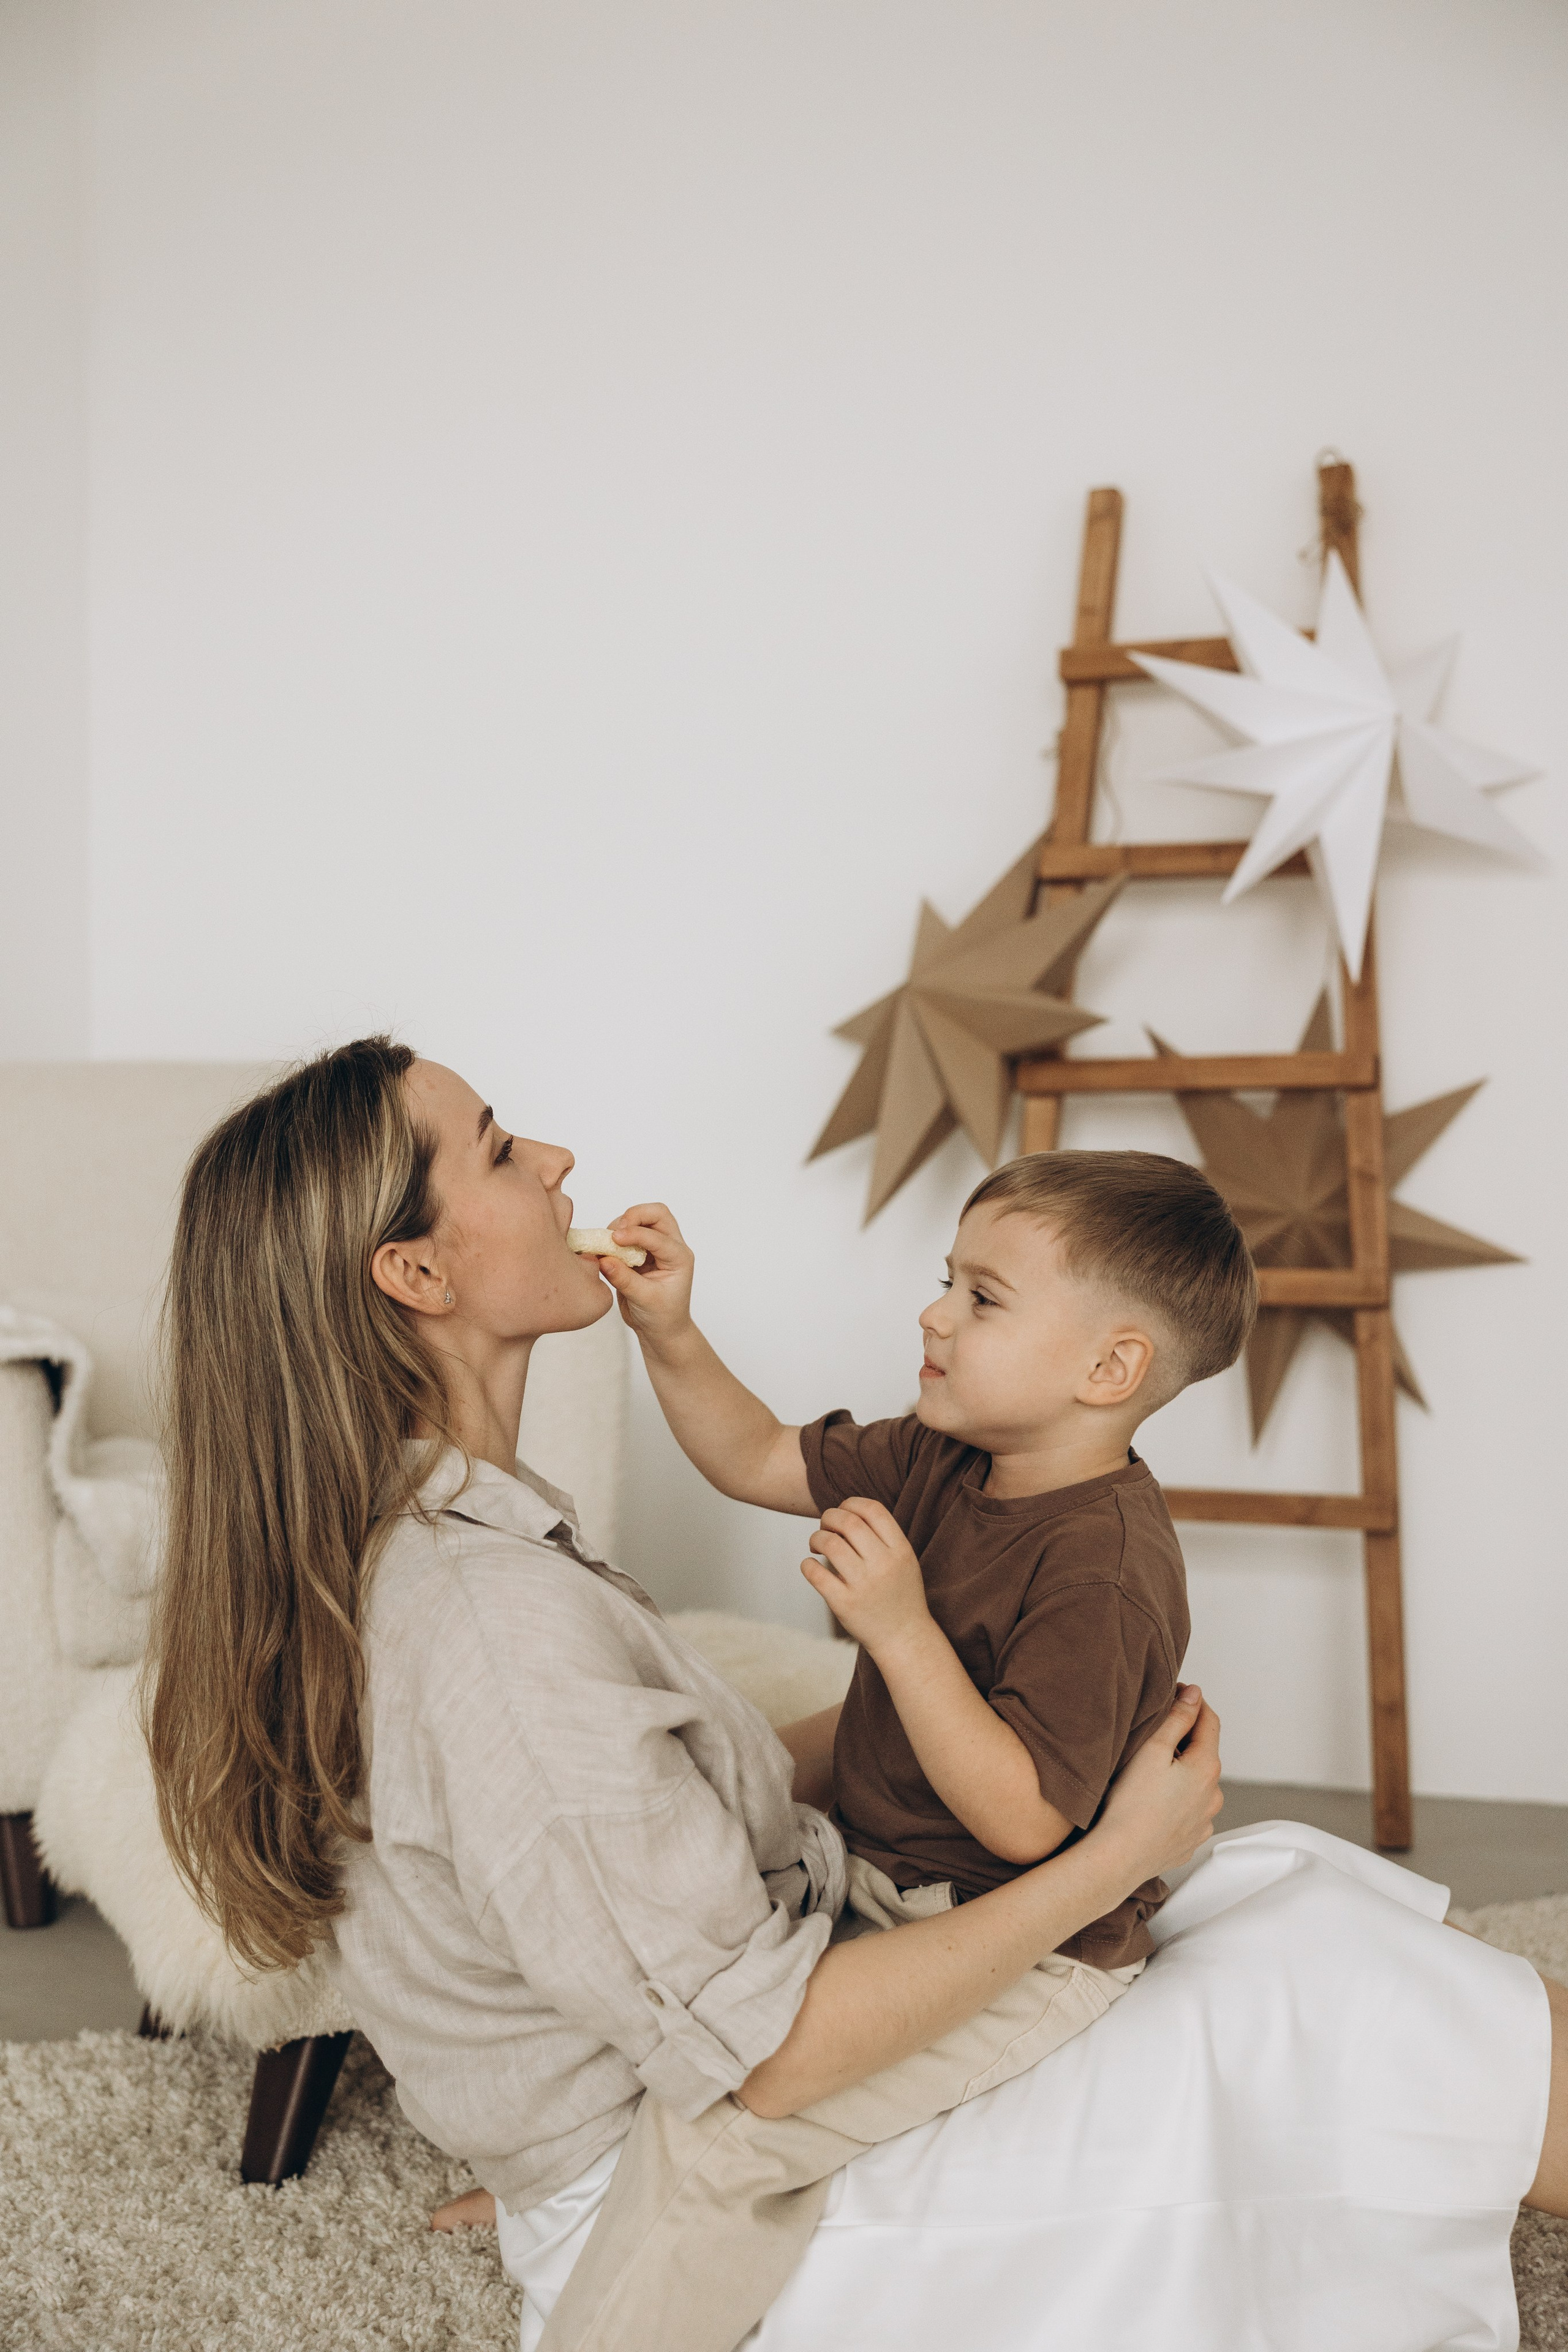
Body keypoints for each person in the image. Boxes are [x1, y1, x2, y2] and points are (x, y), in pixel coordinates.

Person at [144, 1039, 1568, 2352]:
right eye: (504, 1150)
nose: (559, 1162)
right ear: (417, 1275)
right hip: (758, 2186)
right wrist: (1119, 1855)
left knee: (1272, 1897)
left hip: (771, 2002)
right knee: (1330, 1989)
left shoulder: (472, 1546)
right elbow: (762, 2065)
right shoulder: (488, 1624)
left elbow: (623, 1827)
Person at [521, 1148, 1256, 2352]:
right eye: (944, 1281)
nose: (932, 1313)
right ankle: (560, 2193)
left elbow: (1025, 1823)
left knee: (729, 2136)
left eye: (981, 1296)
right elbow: (756, 1454)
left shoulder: (1102, 1568)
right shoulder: (939, 1452)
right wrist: (668, 1331)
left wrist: (899, 1630)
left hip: (1021, 1941)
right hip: (867, 1871)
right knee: (645, 1944)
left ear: (1107, 1368)